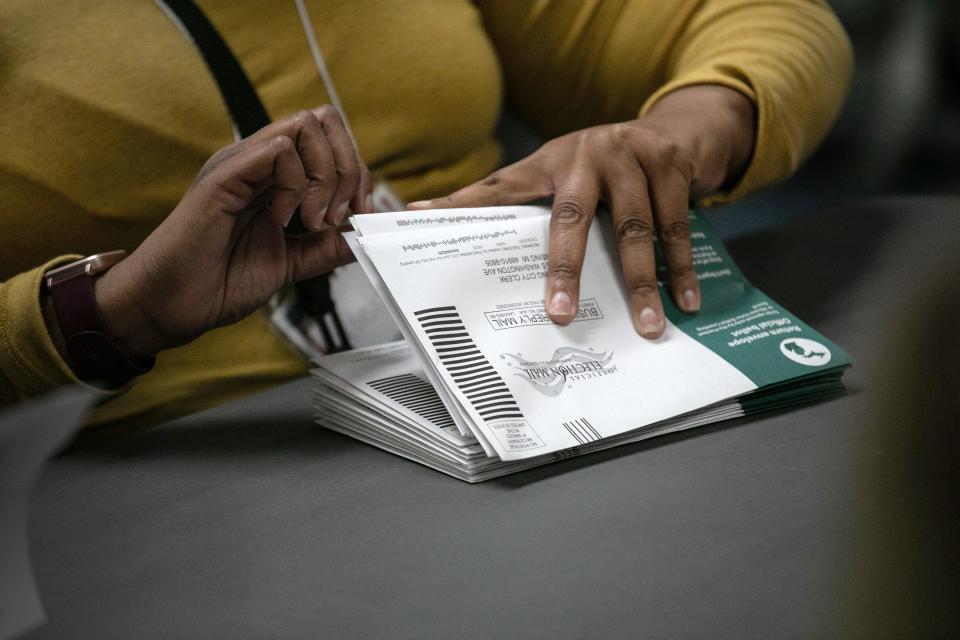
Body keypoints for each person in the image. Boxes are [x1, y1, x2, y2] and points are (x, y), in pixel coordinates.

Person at [0, 0, 852, 429]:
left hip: (541, 372)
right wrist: (111, 312)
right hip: (166, 460)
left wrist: (668, 139)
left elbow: (761, 22)